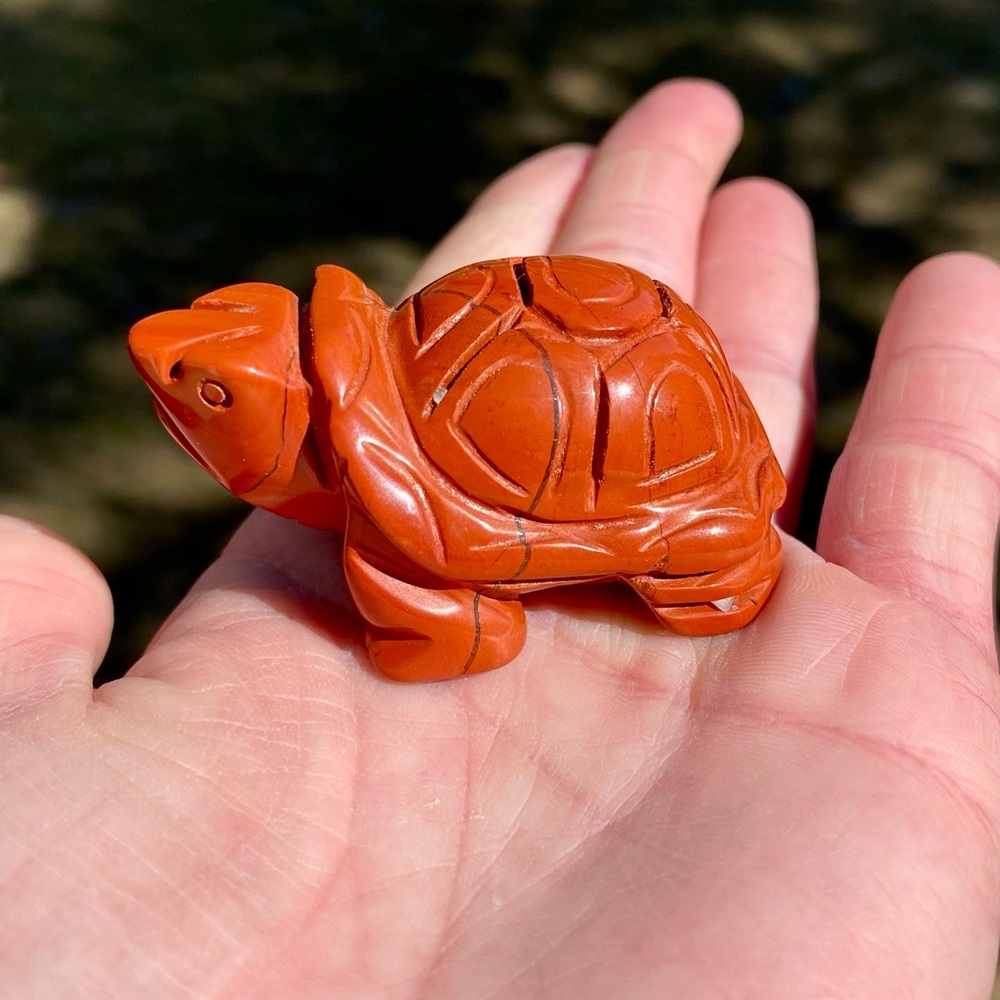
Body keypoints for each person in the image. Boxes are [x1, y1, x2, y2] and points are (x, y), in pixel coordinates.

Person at [2, 78, 998, 998]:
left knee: (698, 575)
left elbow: (477, 627)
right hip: (574, 394)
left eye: (214, 392)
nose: (165, 363)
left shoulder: (391, 547)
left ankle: (712, 555)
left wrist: (420, 612)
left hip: (665, 479)